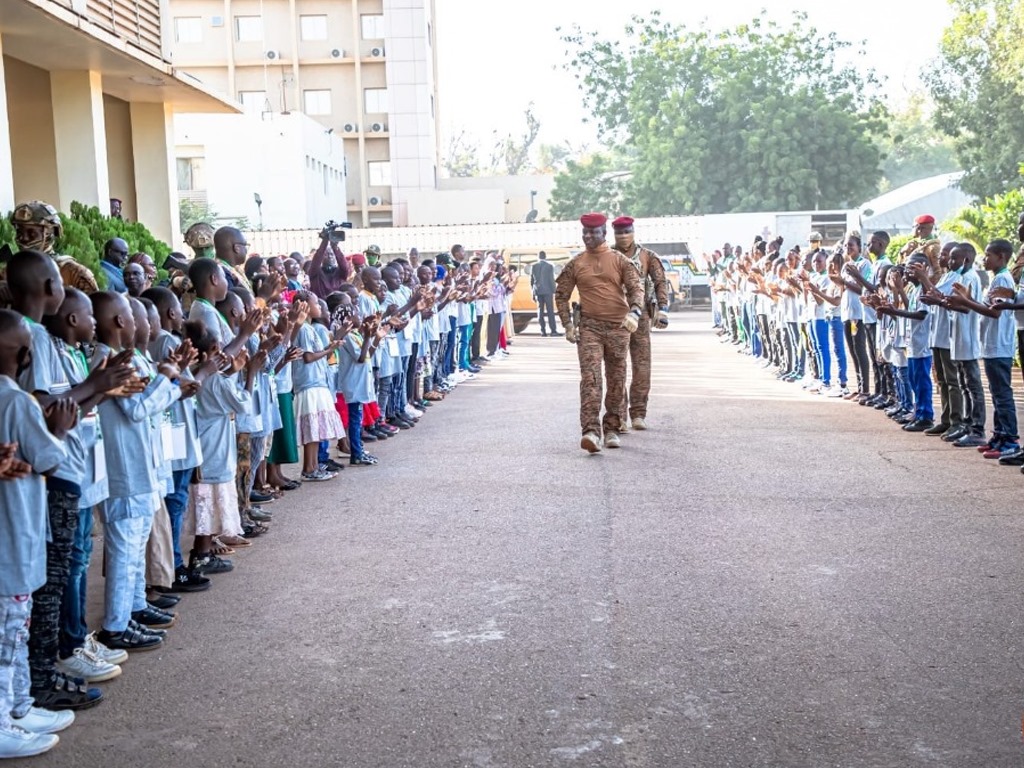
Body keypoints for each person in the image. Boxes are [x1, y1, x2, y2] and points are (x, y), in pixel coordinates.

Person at [0, 308, 77, 757]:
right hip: (13, 534)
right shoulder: (15, 401)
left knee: (15, 628)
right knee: (9, 633)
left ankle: (18, 705)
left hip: (15, 530)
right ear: (26, 354)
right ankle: (5, 718)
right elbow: (49, 458)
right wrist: (61, 431)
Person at [90, 292, 181, 652]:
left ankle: (134, 607)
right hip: (123, 468)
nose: (144, 323)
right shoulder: (109, 360)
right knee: (125, 547)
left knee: (136, 540)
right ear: (119, 321)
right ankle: (115, 624)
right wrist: (168, 377)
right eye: (136, 316)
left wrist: (169, 381)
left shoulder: (126, 357)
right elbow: (138, 409)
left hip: (139, 463)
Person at [555, 213, 643, 453]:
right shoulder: (576, 263)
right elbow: (561, 294)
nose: (587, 236)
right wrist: (568, 325)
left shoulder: (620, 260)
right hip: (589, 328)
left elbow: (636, 289)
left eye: (593, 233)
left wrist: (634, 313)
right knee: (591, 379)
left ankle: (612, 428)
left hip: (619, 328)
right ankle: (591, 432)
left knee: (616, 379)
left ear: (604, 234)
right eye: (584, 232)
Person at [947, 239, 1019, 458]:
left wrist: (966, 302)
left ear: (1002, 257)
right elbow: (989, 307)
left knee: (1002, 395)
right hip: (991, 345)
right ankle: (998, 435)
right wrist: (969, 299)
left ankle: (1009, 439)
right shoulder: (998, 277)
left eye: (989, 255)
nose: (984, 259)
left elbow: (996, 312)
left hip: (999, 346)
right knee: (997, 395)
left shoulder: (1004, 278)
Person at [611, 216, 670, 430]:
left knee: (642, 366)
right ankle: (618, 416)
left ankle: (638, 413)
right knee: (616, 367)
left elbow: (660, 281)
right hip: (615, 317)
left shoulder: (647, 256)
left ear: (633, 232)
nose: (623, 237)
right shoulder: (607, 256)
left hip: (641, 316)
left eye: (627, 232)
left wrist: (662, 308)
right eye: (619, 233)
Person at [10, 202, 97, 293]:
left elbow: (95, 306)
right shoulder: (9, 272)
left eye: (31, 233)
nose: (24, 238)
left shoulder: (75, 273)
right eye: (19, 232)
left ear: (50, 233)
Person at [531, 251, 558, 336]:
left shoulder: (533, 266)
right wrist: (554, 290)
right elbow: (551, 279)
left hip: (538, 291)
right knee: (550, 311)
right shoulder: (549, 266)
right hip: (548, 291)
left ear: (538, 257)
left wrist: (533, 293)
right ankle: (553, 331)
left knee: (540, 311)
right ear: (545, 256)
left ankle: (543, 331)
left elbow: (531, 281)